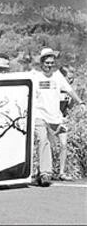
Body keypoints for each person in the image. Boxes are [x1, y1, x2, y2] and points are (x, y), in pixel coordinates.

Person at [32, 48, 85, 187]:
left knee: (50, 145)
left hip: (54, 117)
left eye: (52, 63)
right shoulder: (35, 76)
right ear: (41, 63)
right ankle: (45, 173)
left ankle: (39, 172)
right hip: (39, 115)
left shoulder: (57, 77)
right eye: (47, 62)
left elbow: (70, 90)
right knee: (42, 141)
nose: (49, 65)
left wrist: (81, 102)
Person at [55, 65, 76, 181]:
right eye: (68, 78)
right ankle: (43, 171)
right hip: (51, 119)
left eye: (72, 78)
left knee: (63, 145)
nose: (70, 81)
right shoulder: (54, 89)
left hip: (62, 120)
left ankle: (61, 172)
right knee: (47, 144)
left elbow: (69, 107)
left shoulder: (69, 91)